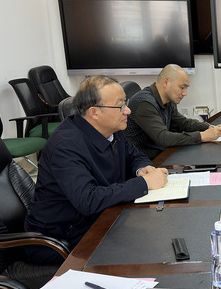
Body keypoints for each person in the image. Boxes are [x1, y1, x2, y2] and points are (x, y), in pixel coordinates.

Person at [25, 76, 168, 264]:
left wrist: (142, 169)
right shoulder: (65, 146)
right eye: (120, 106)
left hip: (98, 220)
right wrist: (144, 183)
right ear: (94, 112)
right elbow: (88, 200)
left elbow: (134, 156)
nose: (128, 110)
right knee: (148, 254)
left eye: (125, 103)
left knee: (158, 238)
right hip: (60, 239)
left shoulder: (112, 130)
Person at [125, 64, 221, 159]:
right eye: (182, 87)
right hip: (145, 163)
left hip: (161, 155)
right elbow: (163, 138)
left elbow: (182, 123)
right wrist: (203, 136)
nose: (185, 93)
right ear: (166, 82)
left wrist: (210, 127)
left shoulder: (167, 100)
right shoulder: (145, 103)